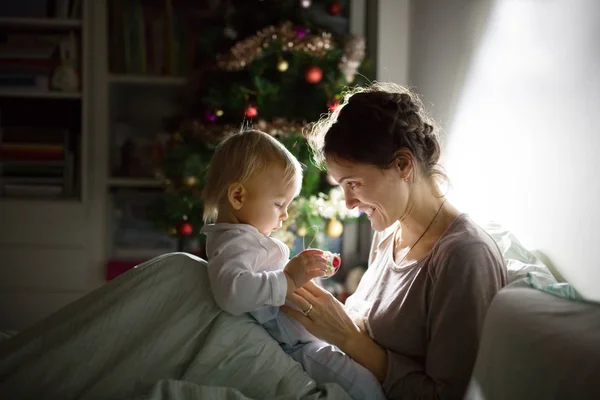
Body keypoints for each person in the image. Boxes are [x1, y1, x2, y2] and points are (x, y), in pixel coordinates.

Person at [282, 82, 508, 400]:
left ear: (402, 165)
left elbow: (447, 396)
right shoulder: (389, 232)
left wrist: (348, 339)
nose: (348, 203)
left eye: (354, 183)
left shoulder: (464, 257)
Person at [200, 129, 386, 400]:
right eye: (278, 204)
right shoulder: (232, 245)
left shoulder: (246, 239)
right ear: (238, 196)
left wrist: (305, 272)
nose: (285, 214)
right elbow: (231, 293)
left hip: (308, 334)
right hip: (299, 346)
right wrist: (288, 280)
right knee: (365, 387)